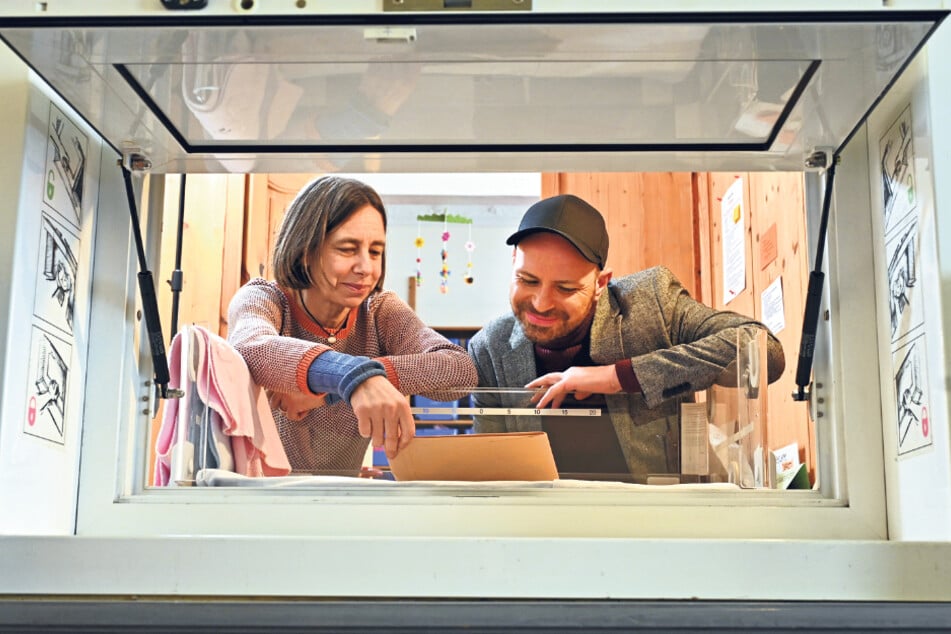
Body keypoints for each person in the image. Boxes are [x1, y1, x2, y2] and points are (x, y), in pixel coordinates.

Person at [467, 194, 785, 478]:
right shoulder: (489, 349)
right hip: (545, 528)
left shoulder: (652, 302)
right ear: (513, 265)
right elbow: (494, 475)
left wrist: (617, 376)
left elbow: (764, 350)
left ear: (601, 283)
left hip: (655, 524)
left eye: (565, 288)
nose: (541, 303)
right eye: (527, 280)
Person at [228, 176, 477, 474]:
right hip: (261, 504)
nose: (366, 268)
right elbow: (251, 349)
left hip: (339, 501)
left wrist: (343, 385)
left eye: (375, 252)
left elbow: (458, 370)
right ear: (305, 249)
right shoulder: (265, 298)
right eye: (347, 249)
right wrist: (354, 378)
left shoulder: (379, 309)